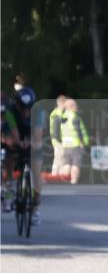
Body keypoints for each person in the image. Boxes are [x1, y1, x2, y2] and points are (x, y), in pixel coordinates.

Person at [11, 86, 46, 224]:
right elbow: (13, 134)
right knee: (11, 155)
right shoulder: (11, 112)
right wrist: (18, 143)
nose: (25, 112)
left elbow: (37, 136)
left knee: (36, 170)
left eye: (28, 109)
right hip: (18, 136)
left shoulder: (38, 112)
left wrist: (31, 143)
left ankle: (36, 205)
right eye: (22, 109)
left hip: (33, 138)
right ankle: (12, 189)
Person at [58, 99, 90, 184]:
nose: (77, 107)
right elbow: (78, 130)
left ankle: (62, 180)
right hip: (76, 145)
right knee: (76, 164)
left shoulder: (63, 117)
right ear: (70, 107)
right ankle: (74, 181)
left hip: (65, 145)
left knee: (67, 164)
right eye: (75, 105)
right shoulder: (74, 117)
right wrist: (82, 142)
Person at [49, 95, 67, 174]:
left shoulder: (58, 112)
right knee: (58, 157)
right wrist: (59, 139)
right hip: (58, 140)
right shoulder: (57, 113)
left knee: (61, 157)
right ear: (61, 103)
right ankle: (54, 174)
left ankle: (58, 174)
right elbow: (55, 128)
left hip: (58, 139)